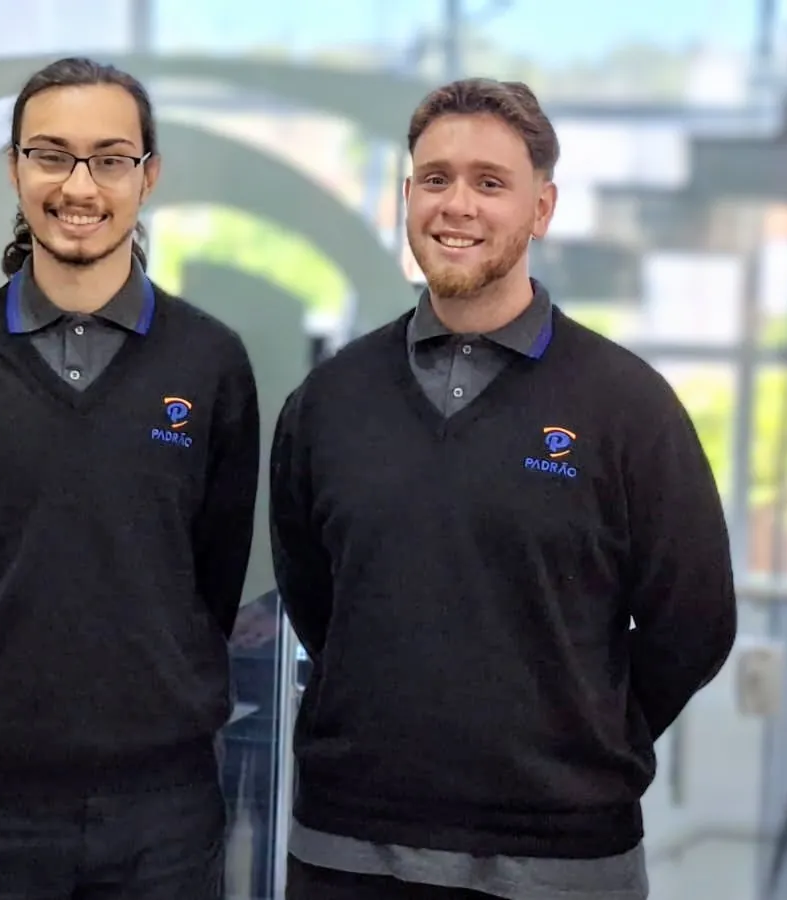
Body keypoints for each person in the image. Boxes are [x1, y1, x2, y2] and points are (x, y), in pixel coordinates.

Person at [268, 77, 739, 900]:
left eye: (490, 182)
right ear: (407, 197)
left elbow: (695, 622)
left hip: (560, 860)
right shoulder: (329, 401)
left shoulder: (628, 407)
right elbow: (317, 600)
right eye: (436, 179)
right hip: (348, 848)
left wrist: (589, 735)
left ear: (541, 208)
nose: (458, 205)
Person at [0, 56, 260, 899]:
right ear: (15, 168)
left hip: (164, 805)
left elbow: (214, 574)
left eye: (110, 159)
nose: (79, 186)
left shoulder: (209, 361)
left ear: (148, 176)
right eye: (51, 155)